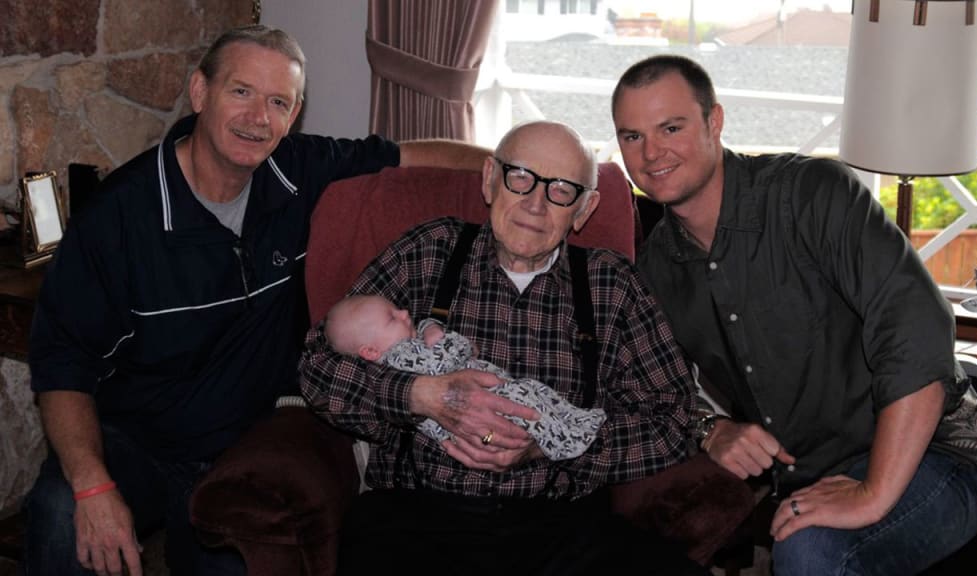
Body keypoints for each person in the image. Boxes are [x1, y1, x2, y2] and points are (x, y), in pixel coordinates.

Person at [23, 24, 486, 576]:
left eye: (278, 102)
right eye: (240, 91)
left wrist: (515, 171)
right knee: (58, 516)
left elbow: (411, 157)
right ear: (200, 93)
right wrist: (92, 485)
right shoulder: (118, 218)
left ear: (294, 117)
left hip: (243, 445)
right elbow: (61, 363)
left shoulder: (298, 168)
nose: (258, 117)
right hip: (134, 438)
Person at [612, 54, 977, 575]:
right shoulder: (657, 265)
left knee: (808, 553)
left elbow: (916, 328)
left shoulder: (813, 193)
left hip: (939, 456)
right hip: (810, 478)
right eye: (631, 136)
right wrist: (712, 429)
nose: (651, 153)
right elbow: (647, 389)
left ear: (715, 122)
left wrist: (871, 493)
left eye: (671, 127)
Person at [300, 120, 710, 575]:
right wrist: (420, 396)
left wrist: (549, 444)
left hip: (558, 524)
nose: (535, 203)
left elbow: (672, 418)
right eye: (520, 177)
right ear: (490, 179)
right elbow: (317, 366)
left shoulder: (610, 284)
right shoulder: (430, 250)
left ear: (584, 208)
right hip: (419, 517)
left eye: (561, 189)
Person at [325, 293, 607, 461]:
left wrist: (427, 330)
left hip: (480, 414)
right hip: (486, 407)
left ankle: (572, 423)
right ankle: (569, 437)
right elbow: (443, 361)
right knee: (528, 403)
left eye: (396, 308)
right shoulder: (401, 355)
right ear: (370, 351)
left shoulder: (402, 350)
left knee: (532, 395)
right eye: (391, 317)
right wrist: (443, 335)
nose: (403, 312)